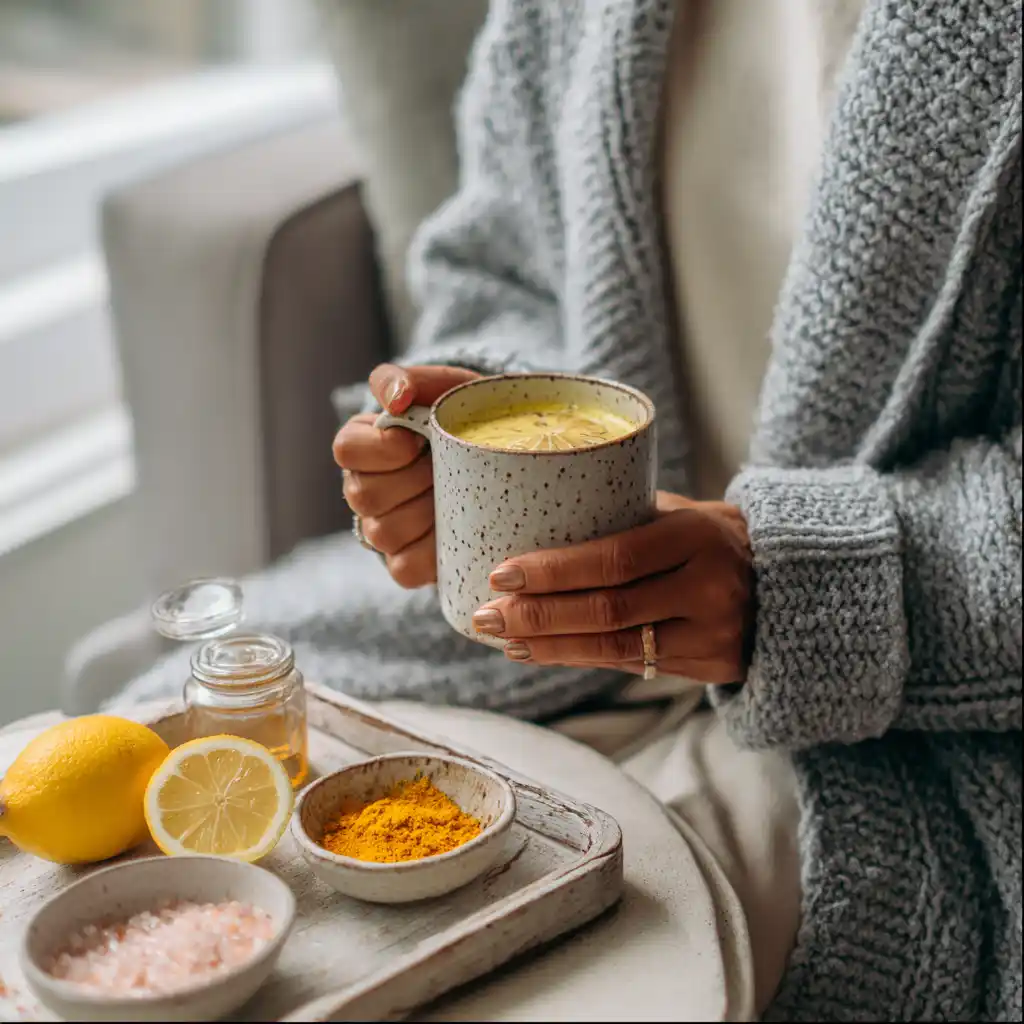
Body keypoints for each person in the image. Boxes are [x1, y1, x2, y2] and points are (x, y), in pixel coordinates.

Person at [122, 0, 1021, 1019]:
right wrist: (471, 430)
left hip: (903, 737)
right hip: (528, 639)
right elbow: (498, 268)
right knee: (147, 781)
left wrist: (812, 585)